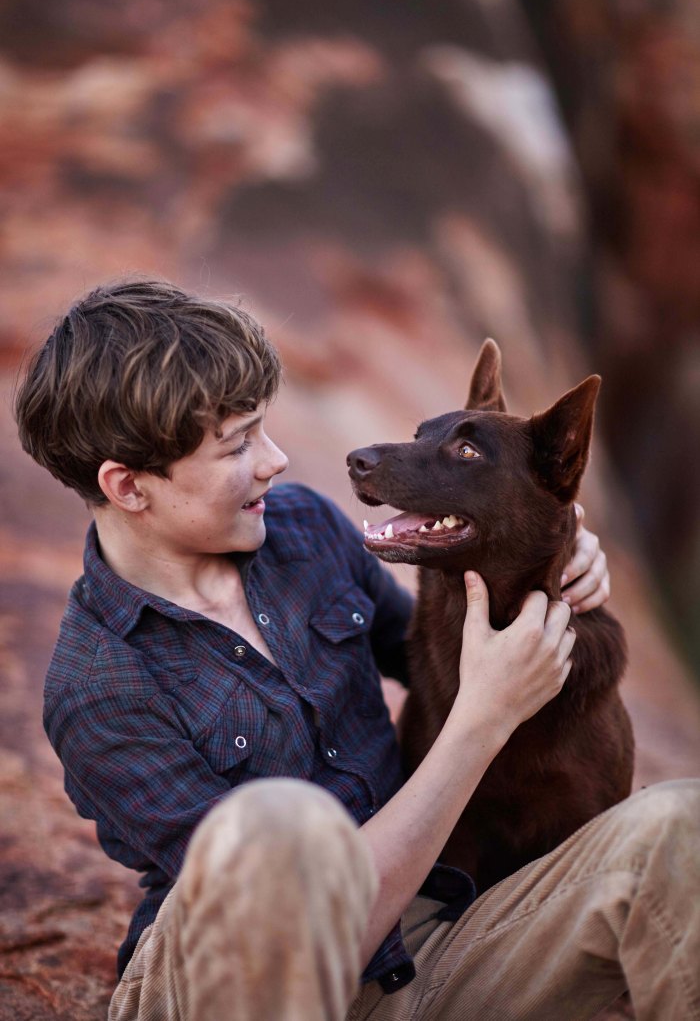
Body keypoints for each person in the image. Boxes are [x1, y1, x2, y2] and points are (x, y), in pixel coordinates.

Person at [15, 278, 699, 1021]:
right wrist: (479, 725)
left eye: (265, 429)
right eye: (239, 444)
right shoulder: (98, 686)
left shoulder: (302, 529)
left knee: (679, 828)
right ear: (129, 487)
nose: (276, 460)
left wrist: (553, 548)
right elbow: (295, 926)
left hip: (419, 954)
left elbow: (432, 656)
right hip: (235, 985)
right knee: (282, 828)